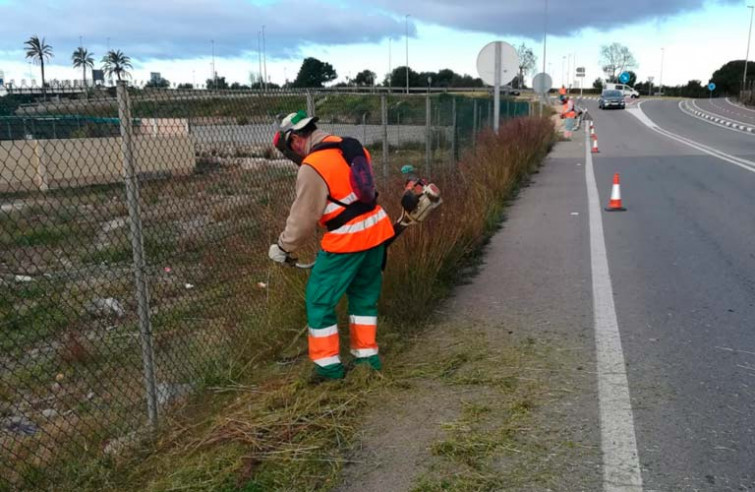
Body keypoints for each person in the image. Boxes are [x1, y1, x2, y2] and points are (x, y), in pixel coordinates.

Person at [268, 110, 395, 381]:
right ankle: (367, 359)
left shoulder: (313, 166)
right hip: (377, 231)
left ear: (295, 140)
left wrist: (284, 247)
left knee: (319, 298)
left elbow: (303, 218)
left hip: (347, 239)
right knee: (363, 296)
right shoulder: (351, 147)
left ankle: (328, 368)